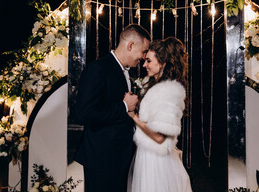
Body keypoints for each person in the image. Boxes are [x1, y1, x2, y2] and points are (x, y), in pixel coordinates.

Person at [74, 24, 151, 192]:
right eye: (144, 51)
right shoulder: (98, 68)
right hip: (102, 158)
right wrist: (123, 106)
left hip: (119, 157)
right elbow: (84, 113)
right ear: (130, 45)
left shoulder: (125, 71)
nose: (144, 57)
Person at [127, 37, 192, 192]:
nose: (144, 65)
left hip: (157, 162)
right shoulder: (150, 84)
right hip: (145, 156)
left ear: (162, 63)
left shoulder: (169, 90)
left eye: (149, 61)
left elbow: (159, 137)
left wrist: (133, 116)